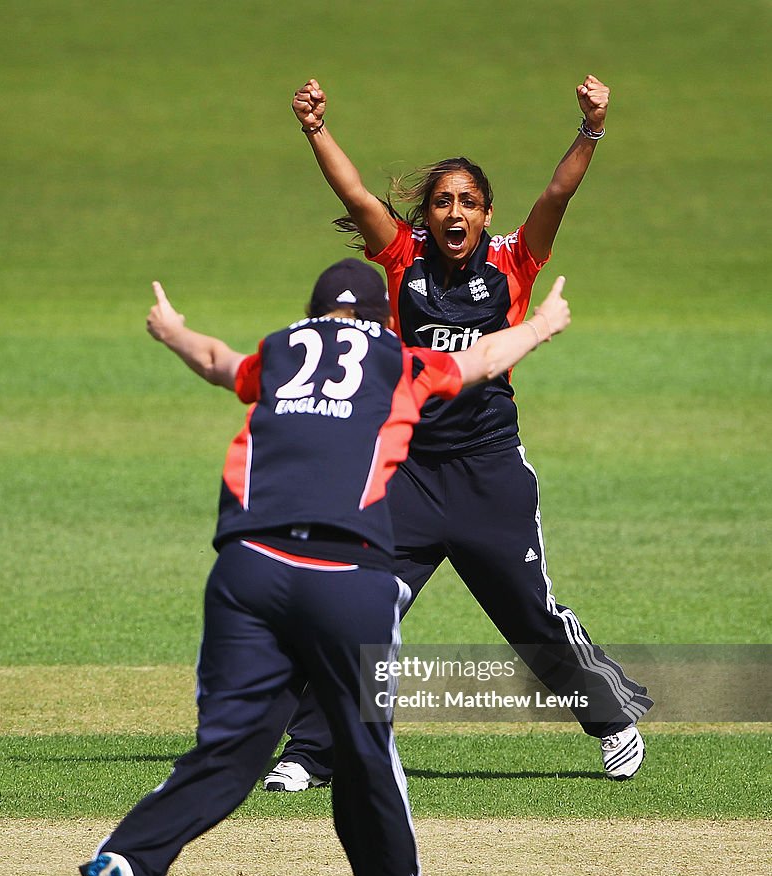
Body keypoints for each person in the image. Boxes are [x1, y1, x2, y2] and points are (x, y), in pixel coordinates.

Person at [74, 259, 571, 876]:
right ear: (378, 318)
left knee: (228, 754)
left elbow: (215, 360)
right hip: (346, 575)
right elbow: (480, 360)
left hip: (246, 568)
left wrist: (170, 330)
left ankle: (133, 860)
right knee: (368, 758)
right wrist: (541, 325)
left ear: (311, 314)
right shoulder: (400, 359)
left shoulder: (277, 353)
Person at [263, 76, 652, 795]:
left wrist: (590, 128)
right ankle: (312, 752)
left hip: (487, 473)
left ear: (485, 214)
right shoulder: (402, 259)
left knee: (528, 612)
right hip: (405, 473)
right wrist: (315, 128)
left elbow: (556, 198)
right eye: (442, 200)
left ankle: (612, 718)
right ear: (427, 212)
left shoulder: (512, 263)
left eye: (467, 202)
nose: (453, 211)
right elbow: (354, 199)